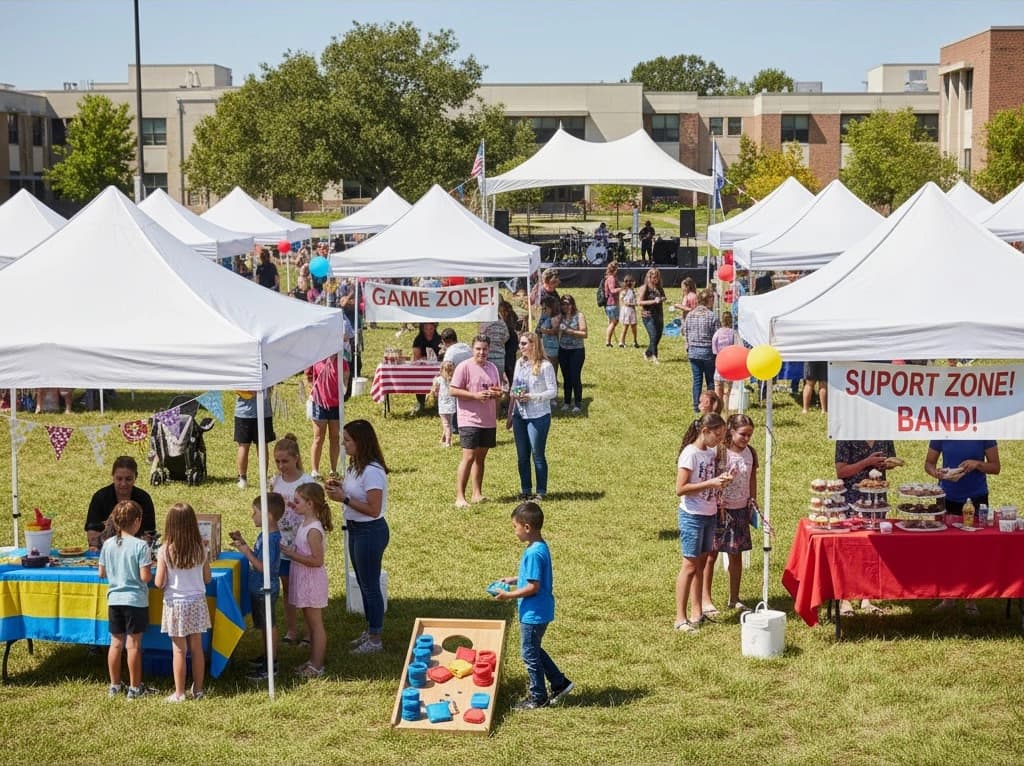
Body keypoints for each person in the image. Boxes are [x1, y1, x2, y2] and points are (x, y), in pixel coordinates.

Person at [492, 501, 573, 710]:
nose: (514, 532)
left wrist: (508, 595)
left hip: (533, 613)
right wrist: (512, 580)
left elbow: (533, 587)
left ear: (526, 527)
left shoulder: (533, 553)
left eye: (515, 527)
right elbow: (530, 578)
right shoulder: (538, 546)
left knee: (529, 654)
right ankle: (560, 683)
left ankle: (538, 697)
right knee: (534, 649)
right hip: (540, 611)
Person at [325, 419, 390, 654]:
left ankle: (376, 638)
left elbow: (373, 509)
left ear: (361, 442)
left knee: (370, 586)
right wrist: (339, 485)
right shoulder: (354, 466)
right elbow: (355, 492)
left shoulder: (372, 471)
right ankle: (371, 629)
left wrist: (343, 498)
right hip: (356, 530)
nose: (344, 445)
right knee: (363, 583)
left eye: (348, 441)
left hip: (370, 531)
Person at [925, 439, 999, 615]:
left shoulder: (984, 432)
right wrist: (936, 473)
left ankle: (970, 598)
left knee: (973, 549)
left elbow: (995, 467)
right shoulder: (941, 433)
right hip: (946, 497)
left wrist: (977, 464)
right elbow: (928, 463)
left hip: (976, 498)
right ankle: (948, 596)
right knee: (946, 548)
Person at [674, 413, 729, 633]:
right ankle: (680, 618)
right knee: (689, 566)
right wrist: (711, 482)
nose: (719, 440)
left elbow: (708, 482)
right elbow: (681, 488)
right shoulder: (690, 454)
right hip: (692, 516)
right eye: (717, 434)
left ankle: (697, 612)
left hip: (709, 513)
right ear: (704, 431)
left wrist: (721, 484)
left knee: (702, 564)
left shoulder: (709, 453)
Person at [98, 500, 156, 699]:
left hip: (114, 599)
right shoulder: (141, 546)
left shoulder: (107, 544)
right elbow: (145, 577)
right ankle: (135, 687)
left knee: (115, 642)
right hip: (135, 600)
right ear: (137, 521)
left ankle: (114, 685)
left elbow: (101, 573)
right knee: (133, 645)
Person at [155, 502, 212, 702]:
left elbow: (159, 582)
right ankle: (198, 690)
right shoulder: (201, 549)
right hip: (197, 602)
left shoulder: (164, 551)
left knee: (179, 650)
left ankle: (179, 693)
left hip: (175, 603)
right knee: (197, 648)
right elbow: (207, 578)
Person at [702, 414, 757, 615]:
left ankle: (734, 598)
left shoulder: (750, 453)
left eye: (750, 435)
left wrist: (753, 500)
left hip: (740, 509)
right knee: (711, 554)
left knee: (736, 555)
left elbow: (752, 477)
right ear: (731, 432)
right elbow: (710, 478)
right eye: (743, 434)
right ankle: (706, 599)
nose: (746, 438)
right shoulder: (720, 452)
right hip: (719, 510)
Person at [835, 439, 896, 616]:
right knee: (851, 550)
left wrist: (887, 464)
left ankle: (866, 596)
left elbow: (890, 460)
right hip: (853, 500)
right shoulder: (846, 436)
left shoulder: (884, 435)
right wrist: (867, 462)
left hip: (877, 502)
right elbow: (841, 471)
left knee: (872, 550)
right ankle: (845, 598)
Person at [230, 492, 284, 681]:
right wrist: (244, 544)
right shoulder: (266, 535)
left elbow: (264, 568)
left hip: (265, 588)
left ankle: (271, 664)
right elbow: (260, 560)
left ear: (268, 514)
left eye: (255, 512)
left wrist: (246, 552)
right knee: (264, 625)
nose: (252, 516)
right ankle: (267, 656)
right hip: (260, 587)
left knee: (269, 626)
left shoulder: (271, 539)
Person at [281, 482, 332, 677]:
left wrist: (292, 555)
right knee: (310, 624)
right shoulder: (305, 523)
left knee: (315, 625)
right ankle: (312, 661)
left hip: (311, 580)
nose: (294, 505)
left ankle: (317, 666)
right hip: (304, 578)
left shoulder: (313, 530)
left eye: (297, 501)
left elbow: (317, 560)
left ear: (310, 504)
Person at [270, 434, 314, 645]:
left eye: (285, 461)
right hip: (282, 543)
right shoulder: (275, 481)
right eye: (277, 461)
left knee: (304, 589)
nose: (281, 465)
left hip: (302, 544)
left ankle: (309, 632)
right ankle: (291, 630)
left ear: (296, 458)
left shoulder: (307, 483)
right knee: (287, 587)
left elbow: (317, 513)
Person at [450, 335, 503, 508]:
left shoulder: (492, 367)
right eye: (478, 348)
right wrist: (475, 395)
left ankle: (476, 494)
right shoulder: (464, 367)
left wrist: (496, 393)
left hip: (488, 419)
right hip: (469, 419)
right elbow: (453, 390)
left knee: (481, 458)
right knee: (469, 456)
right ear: (472, 349)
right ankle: (460, 497)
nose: (482, 352)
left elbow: (497, 390)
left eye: (485, 349)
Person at [510, 332, 557, 501]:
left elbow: (553, 391)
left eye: (523, 344)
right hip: (520, 414)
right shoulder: (519, 363)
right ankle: (525, 489)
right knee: (522, 455)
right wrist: (514, 394)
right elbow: (515, 386)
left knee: (537, 454)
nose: (520, 347)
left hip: (538, 415)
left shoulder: (545, 366)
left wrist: (532, 396)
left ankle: (541, 491)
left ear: (533, 345)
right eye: (520, 344)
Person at [86, 456, 157, 549]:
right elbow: (92, 536)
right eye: (119, 479)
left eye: (128, 479)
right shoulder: (100, 497)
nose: (123, 484)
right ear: (113, 476)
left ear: (136, 477)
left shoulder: (144, 499)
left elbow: (149, 535)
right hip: (105, 551)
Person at [306, 355, 348, 480]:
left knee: (335, 437)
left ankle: (333, 469)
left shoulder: (342, 362)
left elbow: (345, 379)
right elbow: (308, 375)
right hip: (319, 404)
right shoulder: (316, 360)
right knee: (318, 437)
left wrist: (343, 391)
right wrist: (311, 391)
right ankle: (315, 470)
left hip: (335, 405)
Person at [684, 289, 720, 413]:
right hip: (707, 352)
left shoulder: (690, 314)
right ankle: (711, 405)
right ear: (709, 300)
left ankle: (696, 405)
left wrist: (688, 347)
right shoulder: (712, 316)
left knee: (697, 380)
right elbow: (716, 336)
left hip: (693, 351)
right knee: (710, 380)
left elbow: (686, 332)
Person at [234, 389, 275, 491]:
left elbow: (236, 387)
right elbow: (270, 388)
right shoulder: (266, 371)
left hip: (244, 413)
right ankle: (263, 479)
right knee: (261, 445)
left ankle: (242, 479)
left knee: (243, 446)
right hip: (263, 412)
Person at [557, 295, 587, 414]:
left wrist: (570, 331)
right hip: (563, 349)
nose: (566, 306)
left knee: (575, 376)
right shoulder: (560, 317)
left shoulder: (579, 316)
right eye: (563, 304)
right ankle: (567, 401)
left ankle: (578, 403)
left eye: (568, 303)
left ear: (572, 304)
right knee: (566, 377)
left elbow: (584, 333)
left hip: (577, 350)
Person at [411, 322, 443, 412]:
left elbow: (444, 353)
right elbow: (416, 356)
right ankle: (421, 402)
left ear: (435, 328)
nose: (428, 331)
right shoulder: (418, 339)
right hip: (422, 368)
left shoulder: (439, 339)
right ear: (422, 328)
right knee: (419, 379)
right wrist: (425, 358)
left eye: (431, 328)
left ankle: (438, 402)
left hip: (437, 367)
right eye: (426, 329)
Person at [637, 268, 666, 363]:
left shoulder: (659, 287)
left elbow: (664, 296)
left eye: (657, 278)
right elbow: (639, 302)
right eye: (653, 277)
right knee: (653, 335)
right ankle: (655, 357)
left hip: (659, 314)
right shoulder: (645, 287)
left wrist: (661, 299)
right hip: (648, 315)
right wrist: (654, 301)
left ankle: (647, 353)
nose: (655, 280)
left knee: (658, 336)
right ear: (649, 277)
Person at [711, 310, 736, 407]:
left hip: (719, 364)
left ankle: (717, 410)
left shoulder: (717, 333)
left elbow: (714, 350)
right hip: (730, 365)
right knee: (727, 393)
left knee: (718, 392)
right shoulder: (733, 333)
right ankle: (726, 411)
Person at [430, 360, 457, 447]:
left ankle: (448, 442)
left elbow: (434, 391)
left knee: (446, 424)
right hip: (452, 406)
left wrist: (433, 391)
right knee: (448, 423)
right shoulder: (454, 380)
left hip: (443, 406)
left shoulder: (439, 379)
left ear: (441, 370)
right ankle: (443, 439)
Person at [602, 262, 621, 347]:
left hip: (609, 304)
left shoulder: (608, 278)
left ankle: (608, 341)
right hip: (612, 303)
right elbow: (612, 290)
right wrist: (622, 288)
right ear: (615, 269)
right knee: (614, 322)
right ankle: (608, 341)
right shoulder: (611, 278)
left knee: (611, 322)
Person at [617, 275, 639, 348]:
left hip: (631, 310)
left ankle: (635, 341)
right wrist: (633, 304)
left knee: (633, 326)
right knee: (625, 327)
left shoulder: (632, 290)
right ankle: (621, 341)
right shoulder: (624, 291)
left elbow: (636, 298)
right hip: (627, 310)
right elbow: (623, 302)